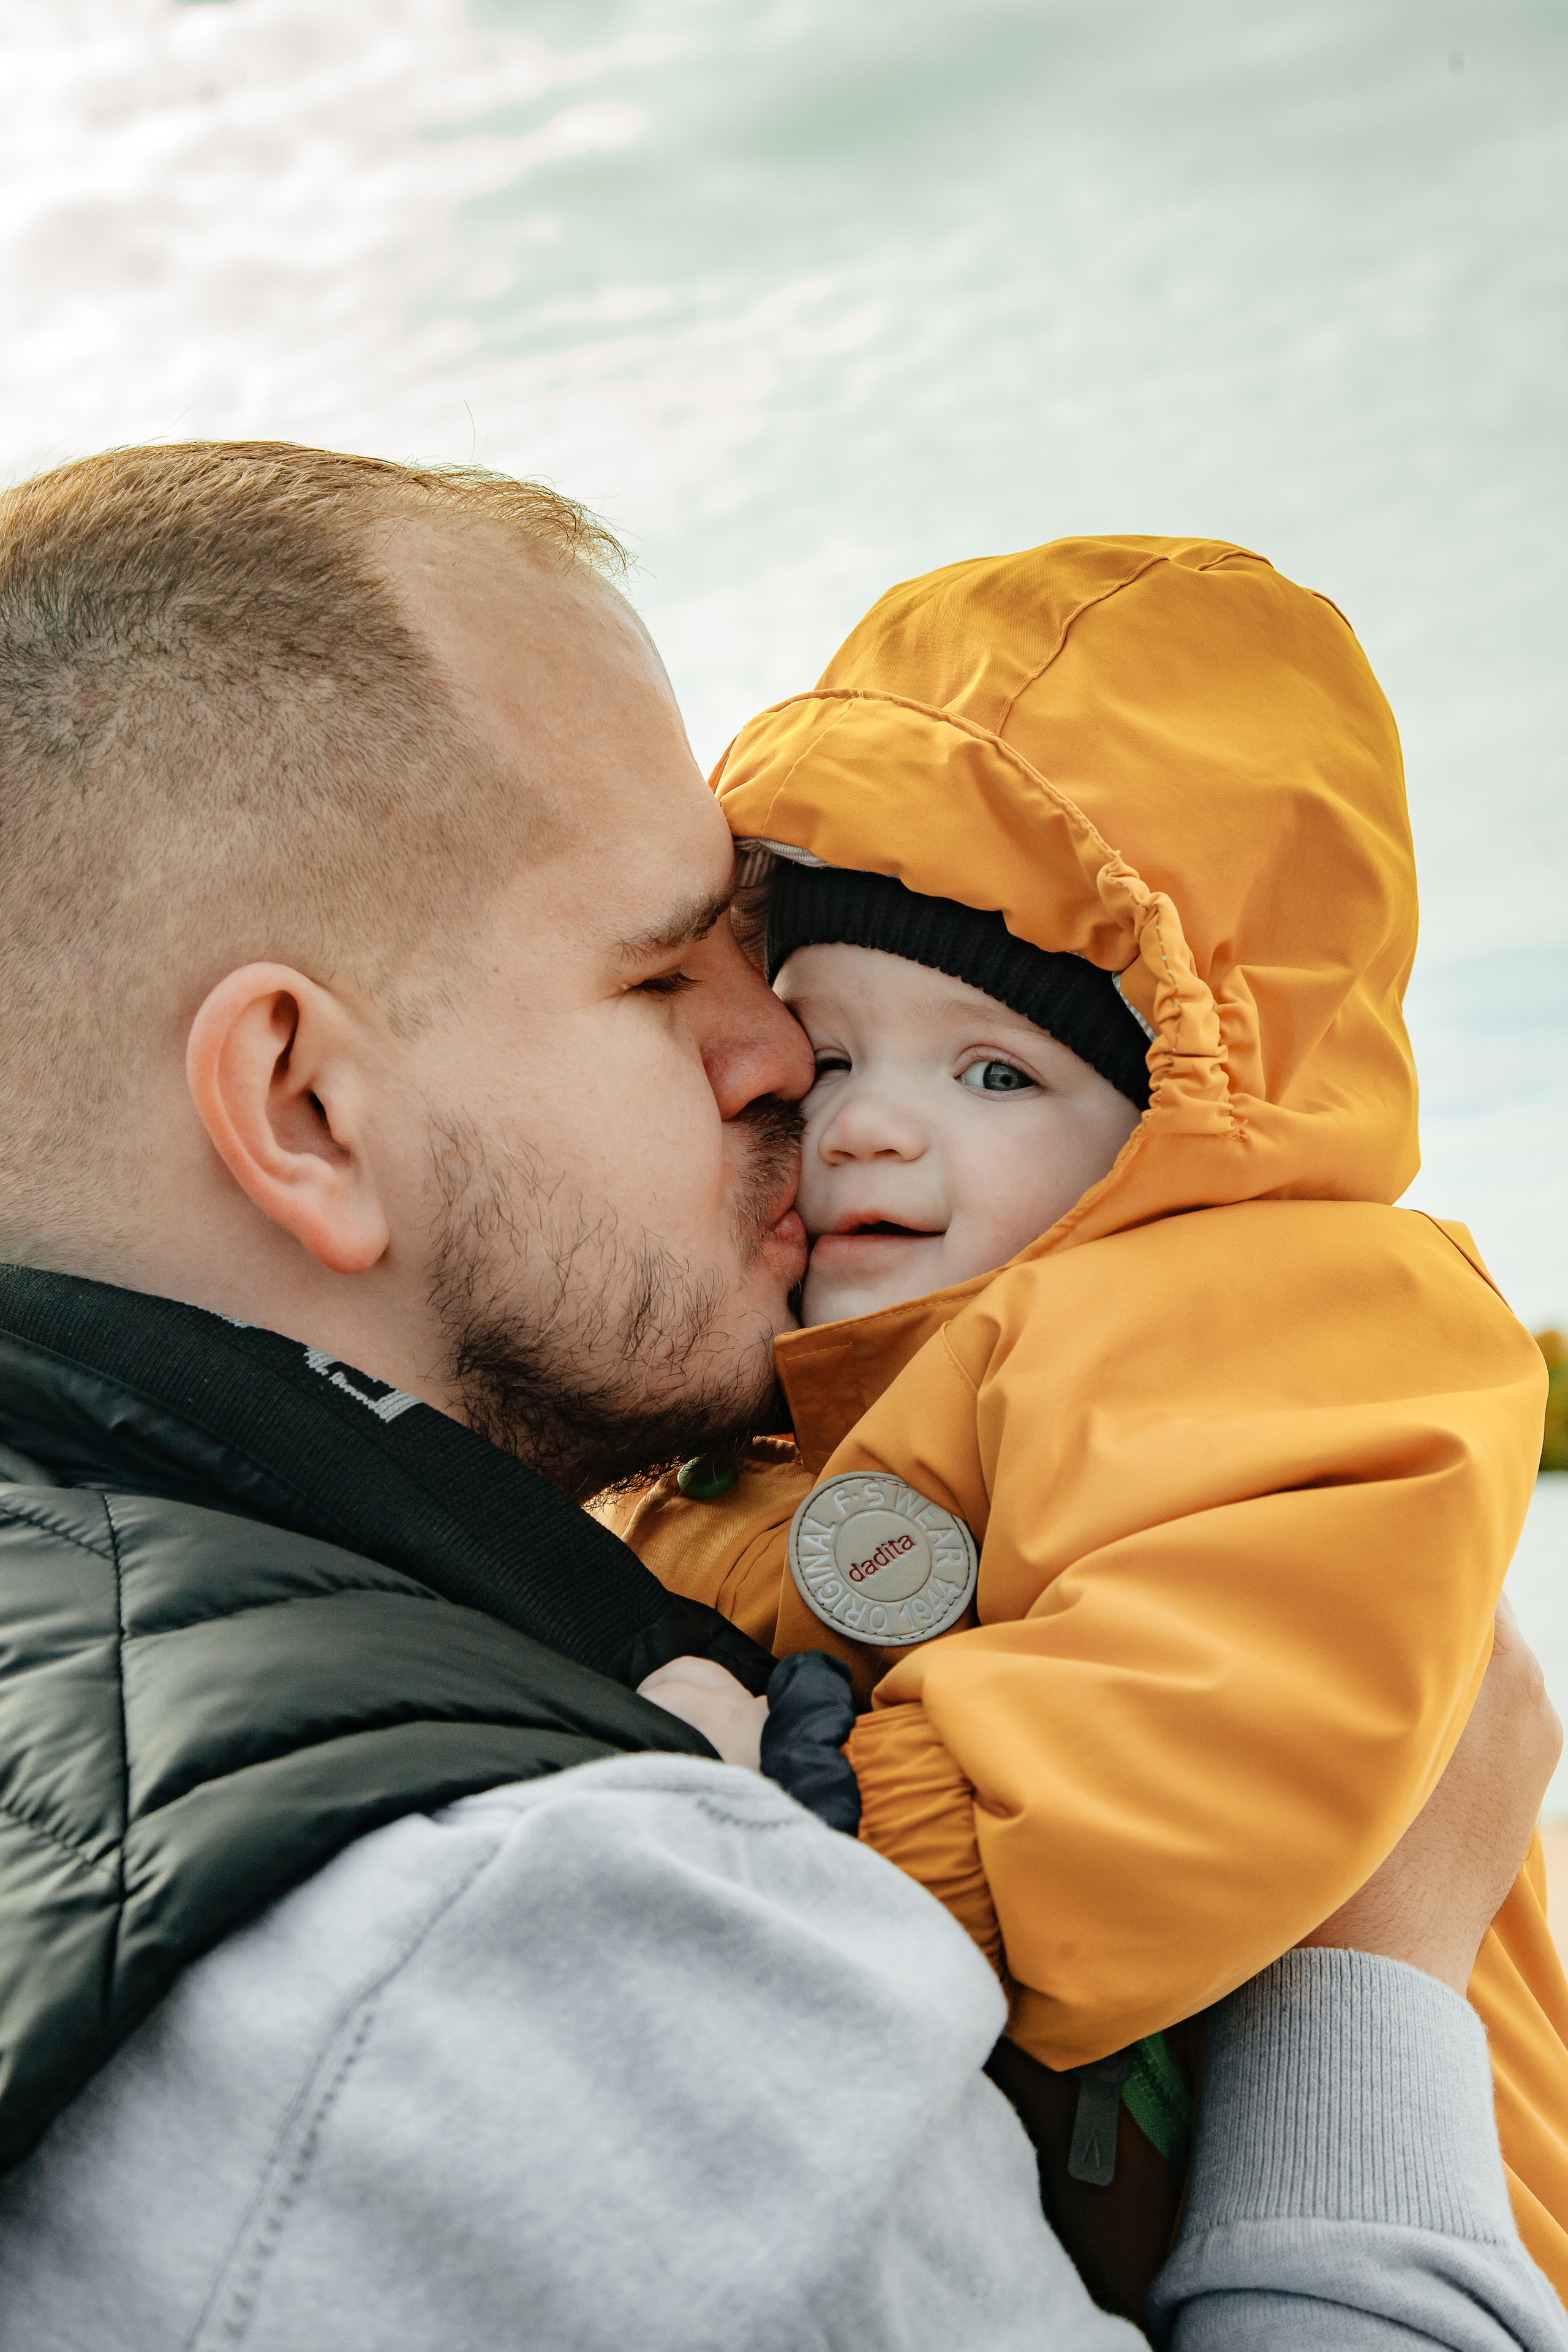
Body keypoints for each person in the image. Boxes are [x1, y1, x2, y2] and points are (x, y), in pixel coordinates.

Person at [0, 445, 1558, 2351]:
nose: (780, 1068)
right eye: (669, 974)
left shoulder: (134, 1625)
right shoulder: (533, 1935)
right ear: (310, 1107)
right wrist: (1373, 1974)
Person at [601, 536, 1568, 2306]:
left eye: (995, 1074)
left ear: (1174, 1122)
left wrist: (835, 1826)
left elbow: (1231, 1685)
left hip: (1408, 2190)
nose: (875, 1129)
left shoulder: (1274, 1311)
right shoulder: (787, 1393)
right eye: (830, 1052)